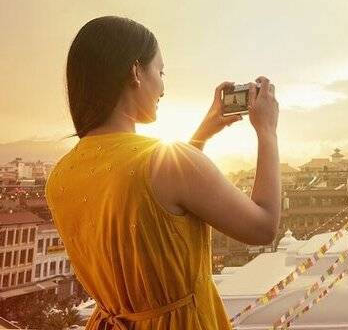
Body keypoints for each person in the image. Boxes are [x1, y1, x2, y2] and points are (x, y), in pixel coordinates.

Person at [45, 16, 282, 329]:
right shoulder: (168, 162)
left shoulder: (60, 174)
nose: (163, 87)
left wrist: (203, 132)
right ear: (135, 72)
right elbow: (263, 227)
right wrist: (267, 131)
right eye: (160, 71)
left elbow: (157, 208)